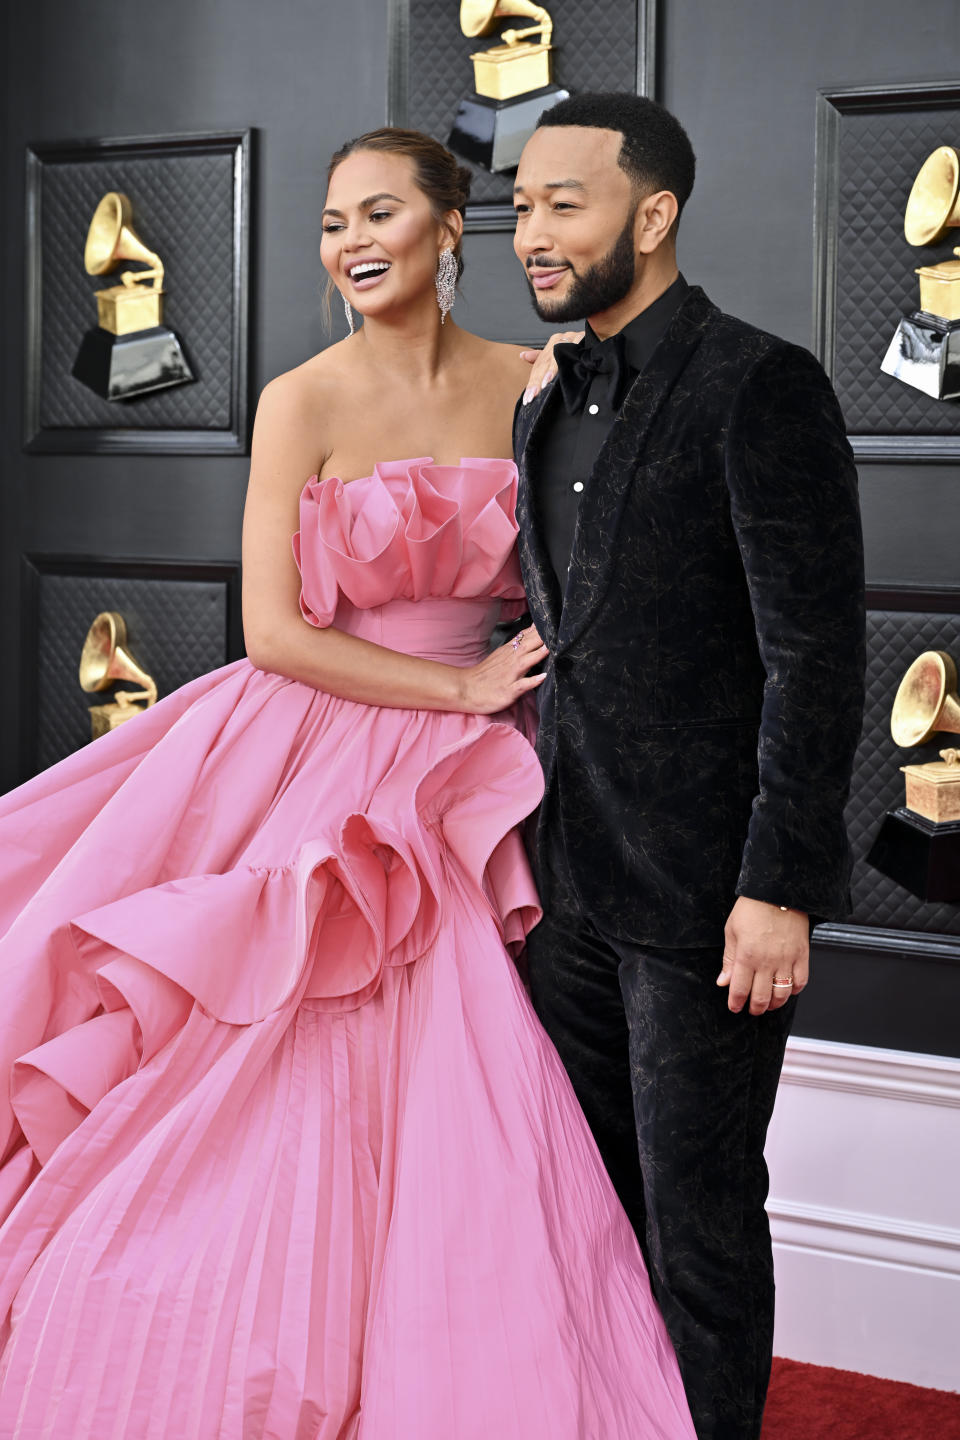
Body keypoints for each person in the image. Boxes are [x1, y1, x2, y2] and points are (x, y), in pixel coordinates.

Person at [0, 127, 696, 1439]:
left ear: (451, 231)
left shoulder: (540, 382)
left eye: (380, 214)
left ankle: (444, 1353)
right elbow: (272, 629)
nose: (352, 243)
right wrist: (464, 692)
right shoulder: (301, 399)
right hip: (316, 739)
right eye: (332, 224)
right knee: (275, 1054)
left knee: (469, 1075)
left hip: (486, 766)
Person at [511, 92, 867, 1440]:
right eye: (526, 203)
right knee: (586, 1218)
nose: (532, 229)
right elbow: (579, 635)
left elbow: (817, 654)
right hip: (574, 892)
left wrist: (777, 883)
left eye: (566, 203)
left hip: (709, 905)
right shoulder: (546, 403)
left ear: (652, 218)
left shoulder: (759, 384)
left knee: (701, 1231)